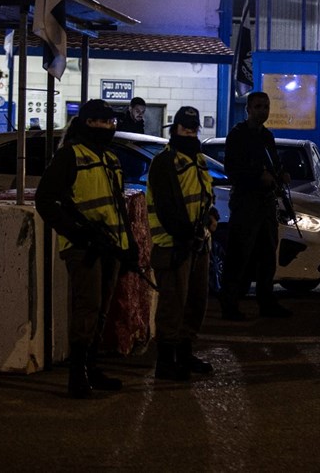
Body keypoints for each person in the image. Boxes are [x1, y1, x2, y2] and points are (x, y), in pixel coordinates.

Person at [34, 99, 140, 399]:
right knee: (87, 310)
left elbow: (118, 207)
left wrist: (128, 244)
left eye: (111, 123)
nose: (109, 128)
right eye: (103, 122)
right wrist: (79, 235)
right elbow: (46, 201)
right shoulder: (70, 156)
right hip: (84, 249)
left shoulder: (109, 158)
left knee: (101, 312)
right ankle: (77, 375)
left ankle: (90, 369)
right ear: (89, 123)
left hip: (111, 247)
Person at [146, 106, 218, 380]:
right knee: (173, 305)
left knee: (195, 302)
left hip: (197, 243)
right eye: (184, 127)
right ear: (174, 128)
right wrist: (188, 236)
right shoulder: (165, 161)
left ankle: (185, 355)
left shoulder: (198, 159)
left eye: (192, 128)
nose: (188, 132)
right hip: (173, 245)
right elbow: (166, 207)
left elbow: (204, 195)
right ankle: (166, 362)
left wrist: (211, 215)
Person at [218, 91, 292, 320]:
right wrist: (257, 177)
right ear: (248, 109)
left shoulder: (267, 137)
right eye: (259, 106)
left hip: (266, 203)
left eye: (266, 106)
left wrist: (281, 175)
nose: (263, 111)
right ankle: (230, 305)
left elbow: (274, 164)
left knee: (267, 256)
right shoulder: (238, 136)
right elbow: (232, 169)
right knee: (239, 256)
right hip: (246, 202)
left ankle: (266, 301)